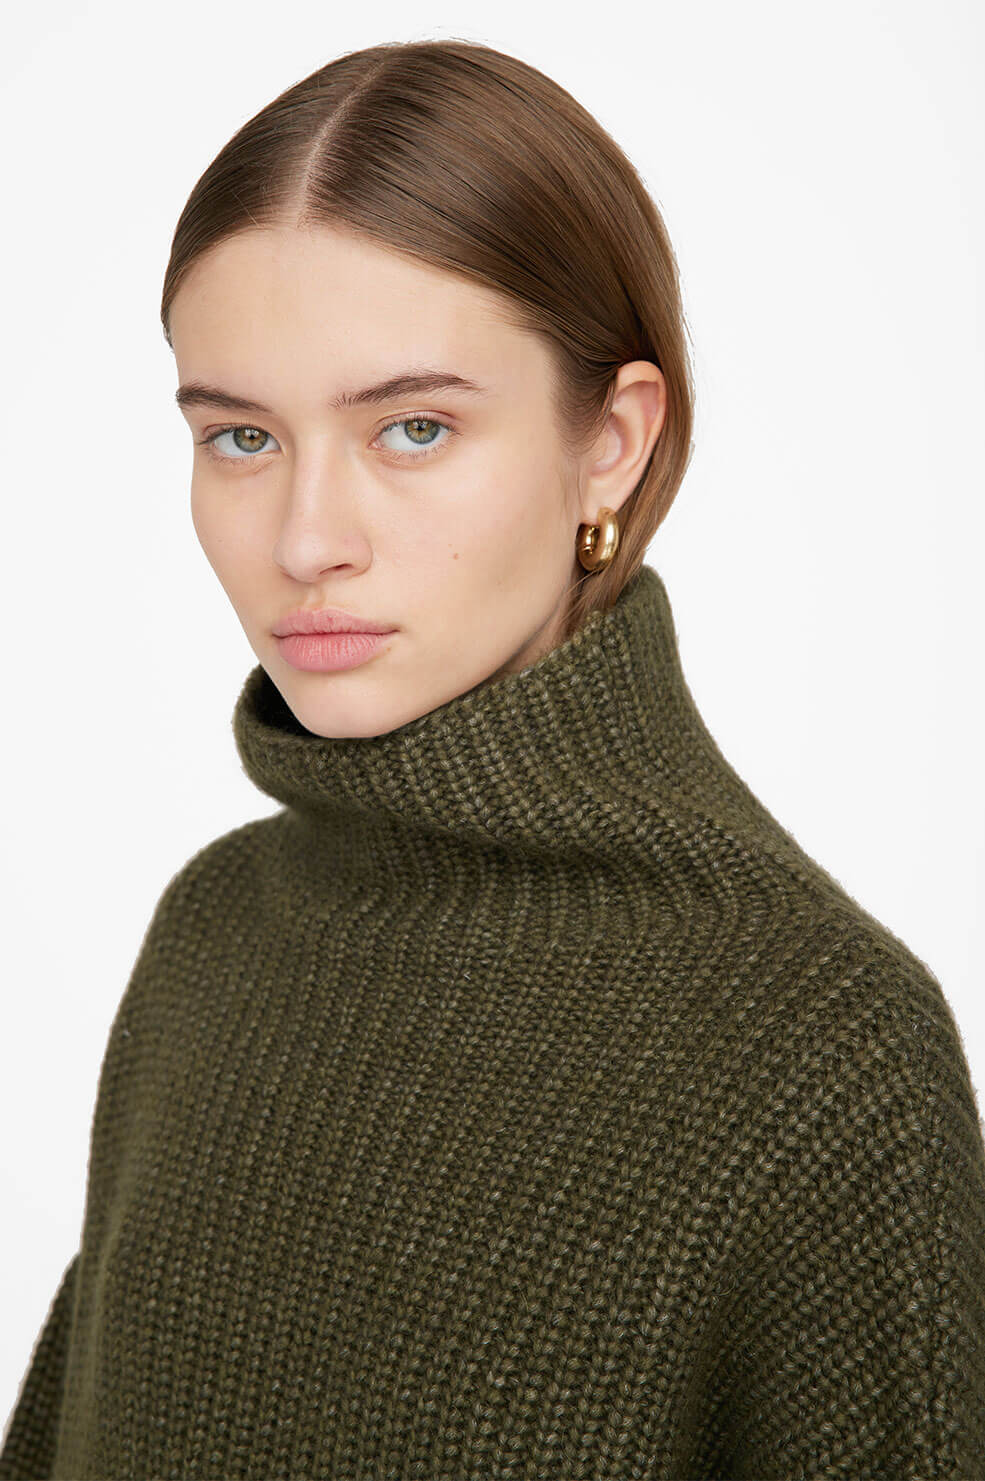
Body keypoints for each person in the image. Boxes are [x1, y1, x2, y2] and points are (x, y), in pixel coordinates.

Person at [2, 36, 983, 1481]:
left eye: (413, 428)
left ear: (612, 443)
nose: (306, 539)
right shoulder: (214, 935)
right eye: (241, 438)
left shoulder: (822, 1051)